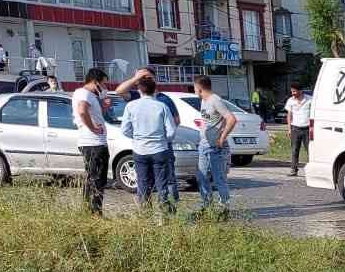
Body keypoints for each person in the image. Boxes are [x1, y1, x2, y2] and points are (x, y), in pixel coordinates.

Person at [121, 75, 179, 218]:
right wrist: (162, 140)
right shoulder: (162, 106)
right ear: (154, 90)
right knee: (162, 184)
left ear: (139, 90)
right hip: (159, 149)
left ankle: (145, 214)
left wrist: (137, 137)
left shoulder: (131, 106)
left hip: (139, 149)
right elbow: (171, 131)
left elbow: (125, 130)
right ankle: (165, 215)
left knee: (142, 183)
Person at [193, 75, 238, 217]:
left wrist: (222, 137)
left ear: (199, 88)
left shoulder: (215, 100)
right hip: (204, 145)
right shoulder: (203, 101)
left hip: (215, 147)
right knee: (201, 177)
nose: (194, 90)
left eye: (194, 87)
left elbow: (231, 119)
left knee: (219, 179)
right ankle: (206, 207)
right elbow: (210, 121)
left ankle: (224, 208)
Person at [72, 67, 111, 215]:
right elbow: (82, 111)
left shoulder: (87, 94)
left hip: (92, 142)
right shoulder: (85, 93)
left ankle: (90, 210)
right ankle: (94, 212)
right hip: (93, 143)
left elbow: (91, 113)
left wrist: (104, 106)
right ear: (95, 82)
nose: (105, 87)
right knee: (97, 178)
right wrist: (93, 128)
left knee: (93, 177)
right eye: (103, 84)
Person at [284, 84, 311, 177]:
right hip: (295, 128)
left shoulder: (310, 99)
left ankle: (311, 170)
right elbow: (289, 115)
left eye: (294, 91)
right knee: (294, 150)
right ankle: (293, 169)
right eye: (292, 91)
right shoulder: (290, 101)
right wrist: (289, 129)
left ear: (300, 91)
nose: (293, 93)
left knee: (309, 150)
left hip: (307, 129)